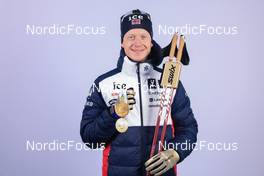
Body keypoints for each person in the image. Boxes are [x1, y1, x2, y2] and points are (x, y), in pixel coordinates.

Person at [80, 9, 198, 176]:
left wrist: (176, 152)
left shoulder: (169, 80)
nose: (137, 42)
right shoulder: (103, 84)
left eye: (143, 36)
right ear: (122, 42)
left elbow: (188, 128)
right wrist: (113, 113)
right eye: (131, 37)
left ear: (151, 42)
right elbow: (89, 138)